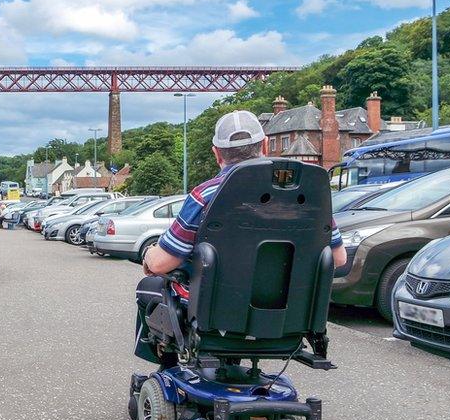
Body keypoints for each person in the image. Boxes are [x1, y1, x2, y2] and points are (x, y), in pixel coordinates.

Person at [134, 110, 348, 366]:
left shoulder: (206, 195)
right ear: (266, 144)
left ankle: (168, 369)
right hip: (290, 314)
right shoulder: (312, 197)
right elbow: (339, 257)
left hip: (212, 311)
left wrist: (149, 254)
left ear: (216, 153)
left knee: (148, 289)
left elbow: (160, 265)